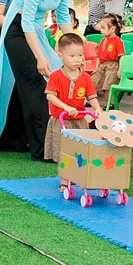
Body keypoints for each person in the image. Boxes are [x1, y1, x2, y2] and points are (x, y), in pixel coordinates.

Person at [0, 0, 86, 158]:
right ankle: (43, 148)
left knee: (26, 83)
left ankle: (13, 140)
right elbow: (27, 21)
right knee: (37, 82)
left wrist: (74, 45)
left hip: (35, 30)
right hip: (17, 30)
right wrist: (40, 57)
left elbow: (62, 13)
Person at [44, 33, 101, 167]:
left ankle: (79, 170)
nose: (77, 60)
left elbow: (91, 96)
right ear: (60, 55)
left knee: (81, 149)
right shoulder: (56, 76)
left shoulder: (85, 77)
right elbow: (50, 96)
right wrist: (66, 107)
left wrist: (97, 108)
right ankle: (64, 173)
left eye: (80, 55)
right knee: (62, 149)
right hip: (61, 119)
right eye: (72, 56)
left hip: (79, 119)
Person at [93, 14, 126, 104]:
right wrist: (96, 68)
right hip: (102, 65)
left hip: (113, 66)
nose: (101, 30)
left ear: (112, 29)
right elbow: (98, 56)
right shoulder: (103, 40)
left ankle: (110, 103)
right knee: (94, 81)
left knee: (108, 85)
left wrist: (120, 70)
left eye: (103, 28)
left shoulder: (117, 41)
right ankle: (92, 101)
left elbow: (121, 56)